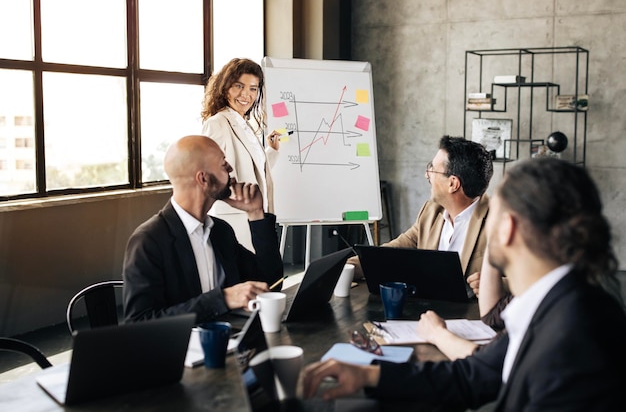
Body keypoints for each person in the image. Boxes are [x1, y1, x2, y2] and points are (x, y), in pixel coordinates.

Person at [303, 158, 626, 410]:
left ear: (508, 228)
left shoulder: (576, 332)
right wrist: (367, 374)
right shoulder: (554, 303)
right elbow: (476, 374)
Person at [123, 135, 284, 324]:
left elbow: (271, 282)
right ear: (203, 178)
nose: (231, 169)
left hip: (230, 344)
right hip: (181, 350)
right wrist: (222, 299)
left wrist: (256, 214)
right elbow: (139, 323)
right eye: (224, 164)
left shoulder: (220, 231)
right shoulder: (148, 241)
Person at [348, 135, 494, 298]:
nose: (427, 175)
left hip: (471, 317)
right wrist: (348, 268)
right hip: (426, 311)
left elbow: (526, 279)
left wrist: (497, 283)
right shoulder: (431, 211)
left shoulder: (500, 220)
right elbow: (393, 251)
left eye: (432, 169)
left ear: (452, 184)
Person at [200, 58, 280, 251]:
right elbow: (212, 174)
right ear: (225, 87)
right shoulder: (217, 123)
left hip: (255, 216)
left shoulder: (245, 124)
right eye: (239, 86)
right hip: (234, 218)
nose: (246, 94)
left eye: (253, 88)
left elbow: (253, 170)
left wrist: (271, 151)